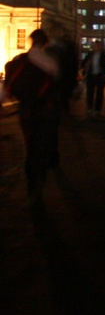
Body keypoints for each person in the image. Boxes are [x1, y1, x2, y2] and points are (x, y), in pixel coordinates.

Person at [4, 29, 63, 202]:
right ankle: (40, 177)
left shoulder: (18, 62)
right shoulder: (50, 62)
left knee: (30, 146)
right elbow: (57, 84)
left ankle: (32, 181)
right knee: (43, 144)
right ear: (45, 43)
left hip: (26, 111)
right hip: (46, 109)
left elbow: (7, 89)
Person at [82, 40, 105, 119]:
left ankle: (97, 110)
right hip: (91, 75)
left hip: (100, 76)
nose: (97, 47)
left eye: (98, 46)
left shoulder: (104, 56)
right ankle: (90, 108)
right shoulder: (90, 55)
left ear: (101, 47)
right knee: (90, 93)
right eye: (95, 46)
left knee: (99, 93)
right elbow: (84, 63)